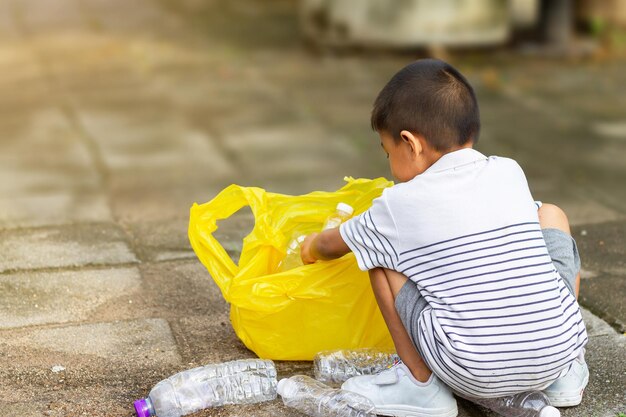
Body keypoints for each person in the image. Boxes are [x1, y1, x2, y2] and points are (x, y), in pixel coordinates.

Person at [300, 59, 588, 417]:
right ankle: (566, 374)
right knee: (552, 215)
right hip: (555, 353)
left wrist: (309, 247)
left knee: (377, 257)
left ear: (410, 143)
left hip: (472, 371)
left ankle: (420, 386)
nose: (389, 163)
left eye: (388, 152)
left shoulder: (398, 205)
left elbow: (332, 244)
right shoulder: (508, 170)